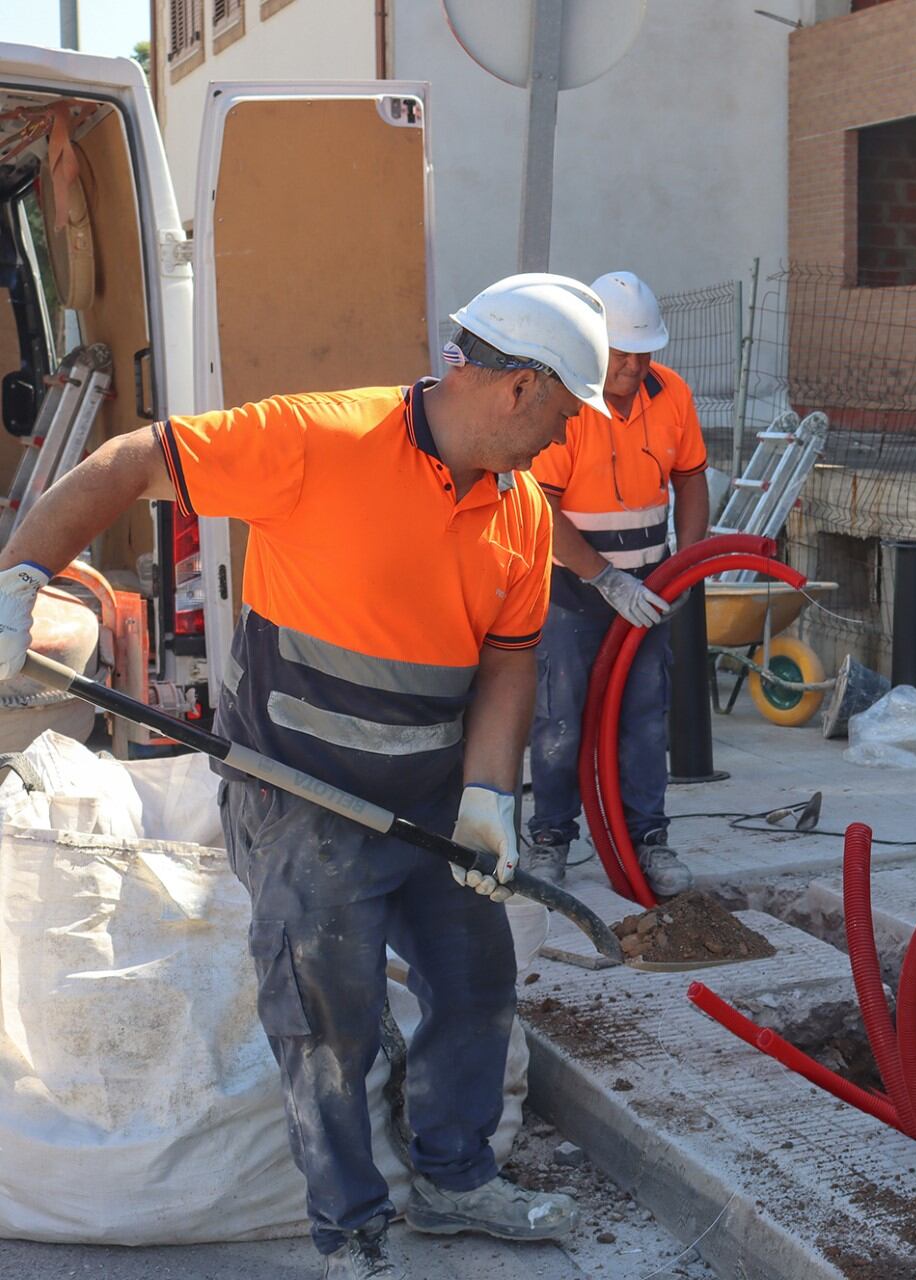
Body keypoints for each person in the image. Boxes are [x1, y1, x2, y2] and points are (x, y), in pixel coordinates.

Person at [0, 274, 610, 1280]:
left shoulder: (523, 512)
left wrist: (488, 796)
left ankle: (455, 1182)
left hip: (426, 798)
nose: (564, 438)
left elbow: (508, 658)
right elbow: (127, 460)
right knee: (330, 1011)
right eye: (564, 412)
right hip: (302, 798)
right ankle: (353, 1227)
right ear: (518, 387)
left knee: (477, 979)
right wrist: (23, 573)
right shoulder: (325, 440)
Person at [525, 272, 708, 893]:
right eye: (621, 353)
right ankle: (550, 839)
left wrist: (689, 561)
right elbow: (540, 509)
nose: (633, 365)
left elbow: (691, 478)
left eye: (643, 352)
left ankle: (647, 840)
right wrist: (604, 579)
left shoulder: (673, 395)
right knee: (559, 720)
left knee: (644, 719)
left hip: (649, 584)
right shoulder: (568, 403)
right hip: (573, 590)